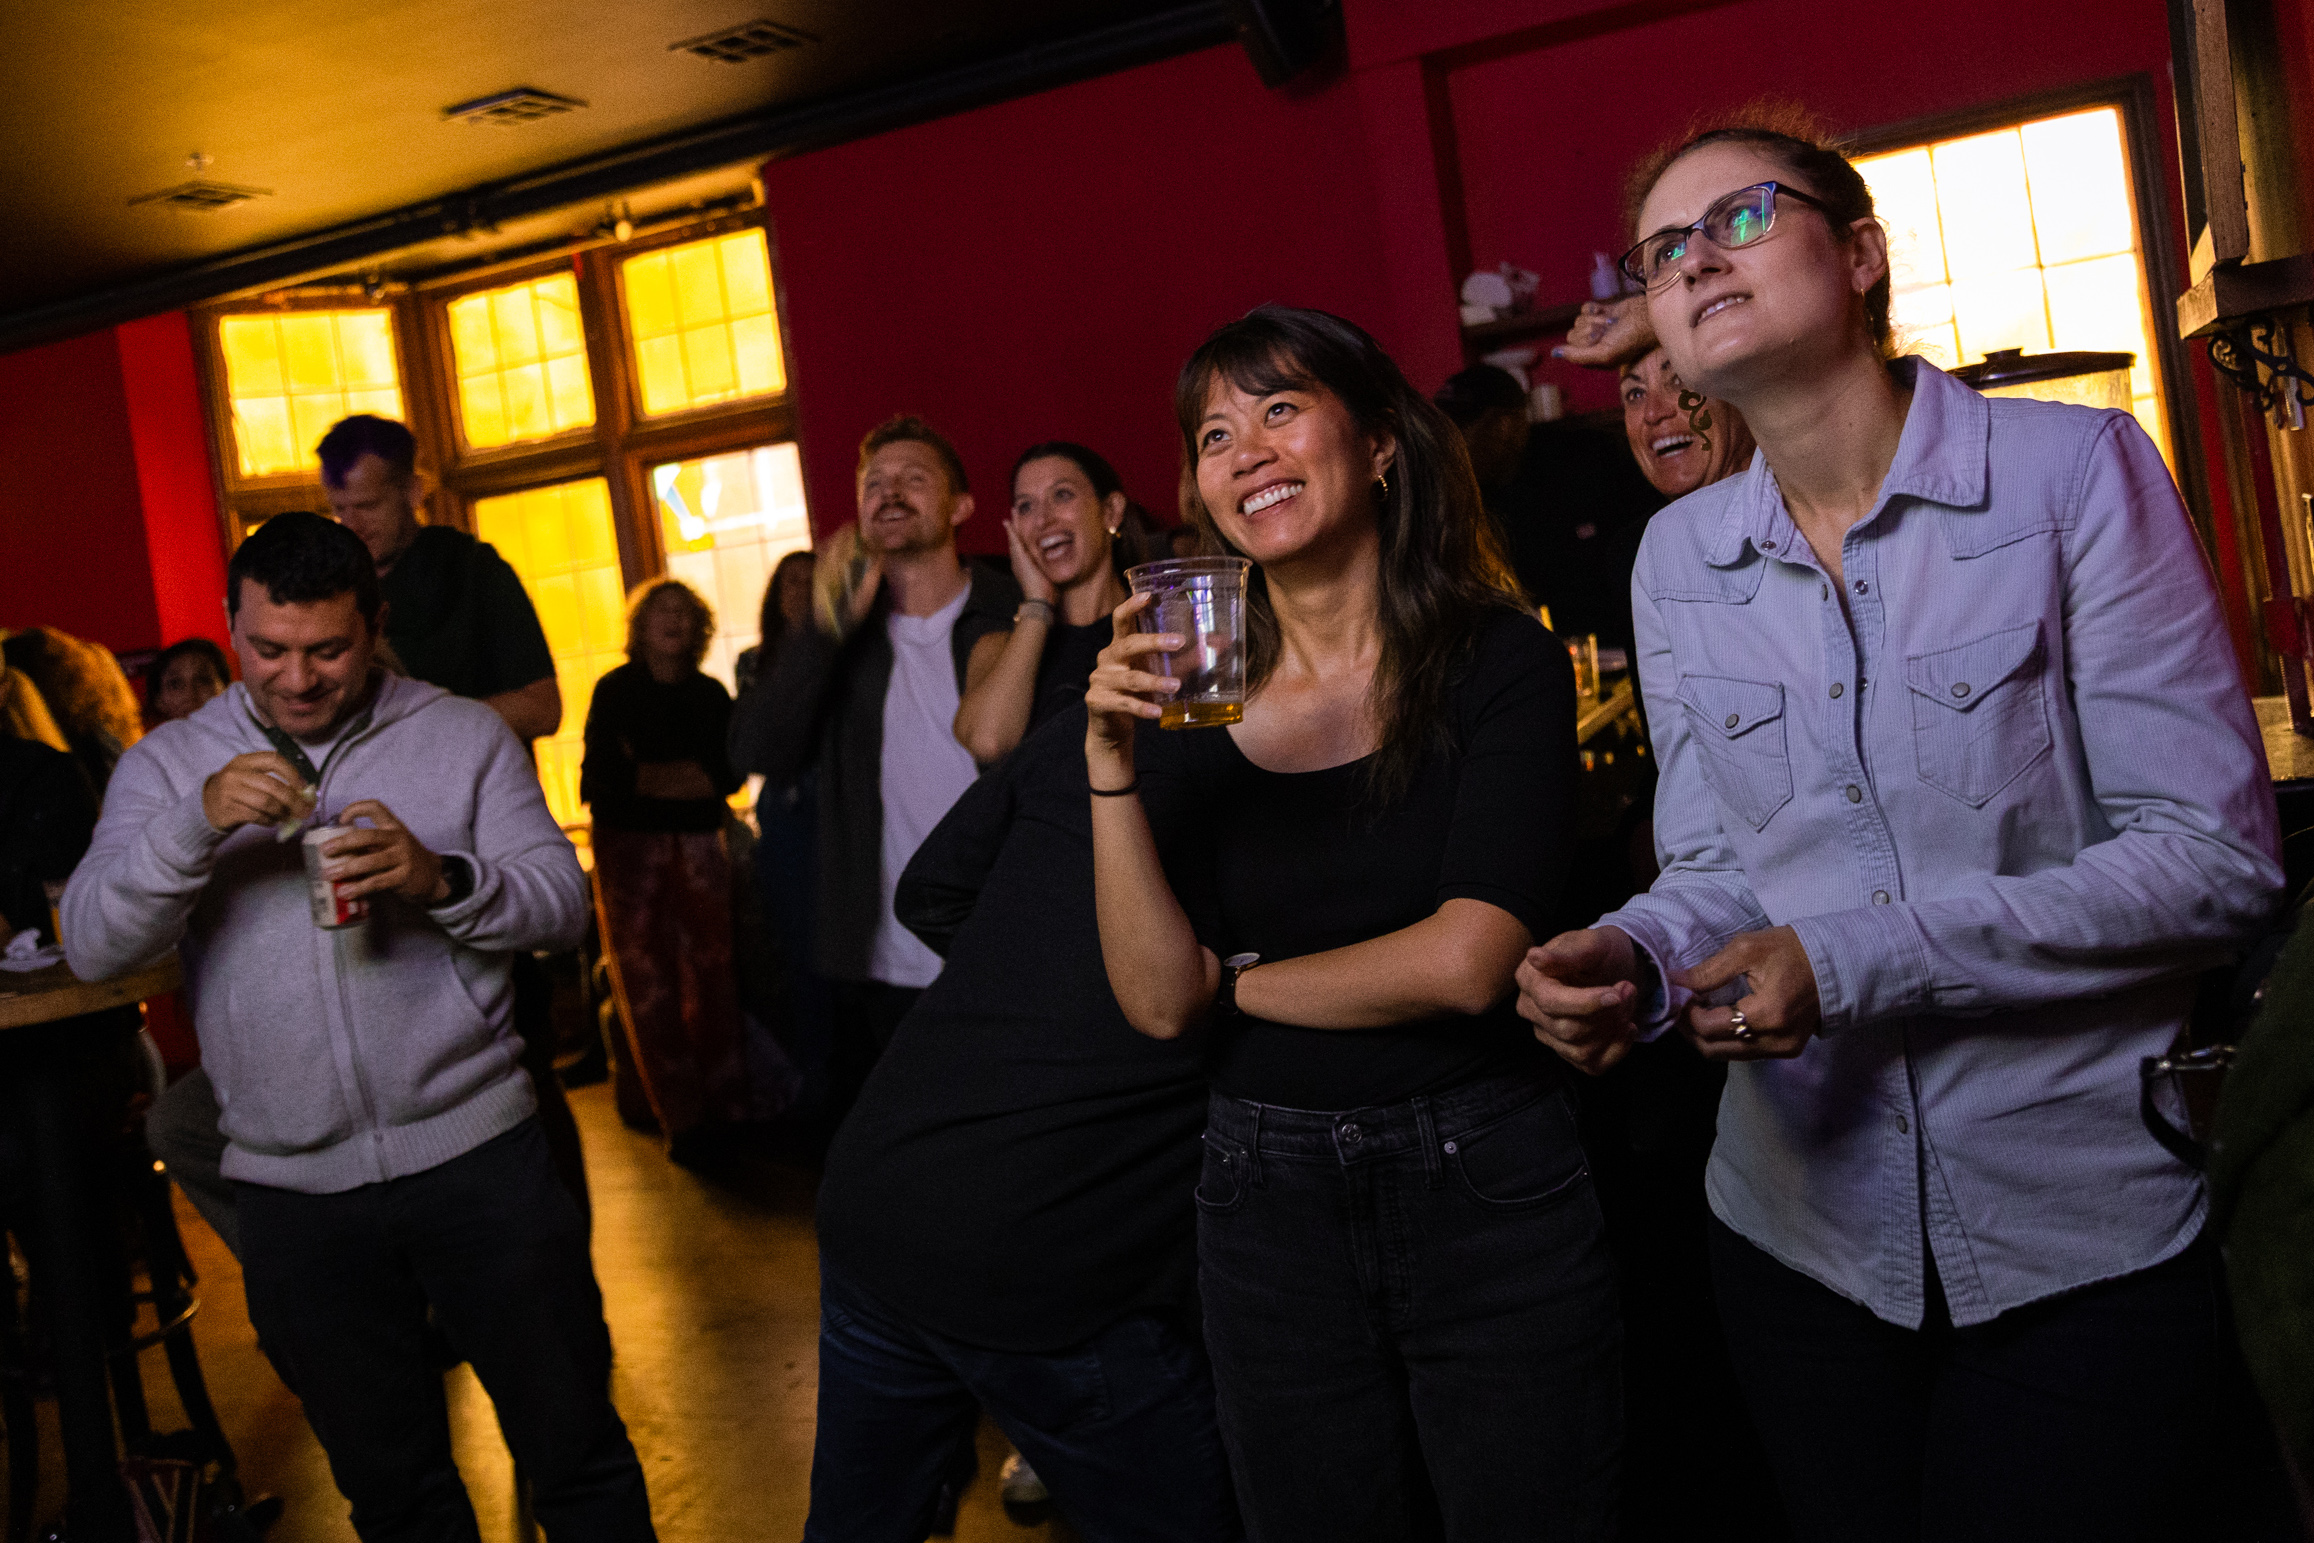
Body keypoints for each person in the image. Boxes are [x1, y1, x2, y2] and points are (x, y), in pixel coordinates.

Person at [1516, 115, 2284, 1542]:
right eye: (1663, 251)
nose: (1695, 263)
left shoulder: (2070, 478)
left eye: (1738, 219)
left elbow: (2212, 857)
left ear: (1858, 254)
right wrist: (1630, 952)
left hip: (2077, 1233)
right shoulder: (1678, 552)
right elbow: (1714, 864)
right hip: (1796, 1236)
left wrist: (1848, 957)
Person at [1086, 304, 1617, 1540]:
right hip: (1261, 1194)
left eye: (1280, 409)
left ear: (1377, 441)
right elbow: (1155, 997)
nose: (1246, 451)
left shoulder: (1498, 661)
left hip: (1486, 1173)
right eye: (1215, 433)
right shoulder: (1185, 700)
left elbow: (1470, 959)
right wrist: (1106, 758)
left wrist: (1240, 985)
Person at [63, 512, 656, 1541]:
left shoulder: (460, 733)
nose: (297, 678)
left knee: (576, 1454)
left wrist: (442, 878)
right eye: (268, 649)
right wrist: (194, 823)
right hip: (296, 1197)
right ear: (231, 626)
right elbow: (93, 944)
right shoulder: (168, 770)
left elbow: (559, 900)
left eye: (329, 649)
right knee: (395, 1492)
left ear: (374, 625)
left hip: (479, 1158)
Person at [147, 415, 587, 1253]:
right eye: (339, 506)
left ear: (414, 491)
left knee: (519, 1105)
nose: (357, 522)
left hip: (474, 865)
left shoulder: (469, 572)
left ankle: (544, 1276)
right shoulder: (207, 725)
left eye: (372, 504)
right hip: (322, 1037)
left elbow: (543, 705)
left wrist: (421, 730)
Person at [804, 705, 1236, 1543]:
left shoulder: (1087, 725)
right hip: (1045, 1247)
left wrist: (1035, 977)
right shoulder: (1304, 772)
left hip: (884, 1187)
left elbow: (929, 888)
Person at [727, 416, 1017, 1139]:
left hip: (1006, 943)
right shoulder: (844, 639)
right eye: (873, 483)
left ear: (960, 507)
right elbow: (757, 747)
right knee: (927, 1167)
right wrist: (824, 630)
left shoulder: (1015, 611)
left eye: (914, 478)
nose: (889, 493)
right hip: (885, 961)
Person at [583, 579, 749, 1164]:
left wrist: (648, 774)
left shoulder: (711, 695)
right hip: (627, 851)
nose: (674, 620)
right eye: (662, 611)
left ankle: (727, 1108)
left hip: (701, 844)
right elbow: (604, 779)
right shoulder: (614, 690)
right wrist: (682, 779)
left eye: (685, 611)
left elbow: (726, 777)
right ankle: (681, 1117)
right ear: (640, 625)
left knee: (714, 974)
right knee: (646, 982)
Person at [1431, 364, 1662, 659]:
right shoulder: (1457, 500)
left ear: (1503, 426)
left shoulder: (1590, 463)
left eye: (1459, 430)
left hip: (1632, 648)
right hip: (1537, 660)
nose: (1447, 447)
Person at [953, 442, 1147, 765]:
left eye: (1062, 495)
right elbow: (989, 741)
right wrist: (1038, 603)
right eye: (1026, 507)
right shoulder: (997, 646)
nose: (1043, 520)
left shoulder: (1159, 627)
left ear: (1110, 510)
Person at [733, 551, 835, 1120]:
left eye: (810, 579)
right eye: (789, 581)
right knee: (798, 946)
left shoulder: (846, 652)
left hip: (834, 809)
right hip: (785, 816)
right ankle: (814, 1083)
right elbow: (758, 746)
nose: (799, 589)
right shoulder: (756, 661)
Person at [146, 637, 230, 725]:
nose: (190, 694)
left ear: (227, 689)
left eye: (203, 680)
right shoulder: (154, 738)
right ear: (159, 700)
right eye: (175, 684)